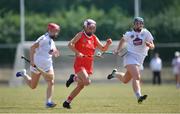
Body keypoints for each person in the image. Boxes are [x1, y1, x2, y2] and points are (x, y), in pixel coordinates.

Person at [63, 19, 112, 109]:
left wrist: (108, 44)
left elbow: (103, 49)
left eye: (93, 28)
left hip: (88, 65)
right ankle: (73, 78)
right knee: (87, 82)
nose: (91, 30)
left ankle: (67, 102)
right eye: (90, 28)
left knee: (81, 86)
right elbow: (70, 44)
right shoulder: (80, 35)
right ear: (85, 27)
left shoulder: (94, 37)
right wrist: (78, 52)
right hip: (80, 64)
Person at [107, 17, 155, 104]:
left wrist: (149, 45)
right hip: (130, 57)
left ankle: (114, 74)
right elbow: (122, 40)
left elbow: (152, 46)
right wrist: (118, 50)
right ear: (134, 24)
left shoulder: (146, 33)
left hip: (140, 60)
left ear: (142, 24)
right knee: (137, 76)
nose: (138, 25)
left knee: (125, 80)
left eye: (140, 23)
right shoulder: (129, 34)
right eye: (136, 23)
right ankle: (139, 96)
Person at [16, 23, 60, 108]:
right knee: (33, 86)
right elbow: (32, 48)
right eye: (55, 32)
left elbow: (53, 50)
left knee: (51, 82)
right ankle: (23, 74)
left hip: (48, 65)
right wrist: (32, 61)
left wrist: (55, 52)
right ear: (50, 30)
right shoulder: (43, 39)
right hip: (37, 65)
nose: (56, 34)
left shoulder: (51, 41)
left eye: (57, 32)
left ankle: (48, 102)